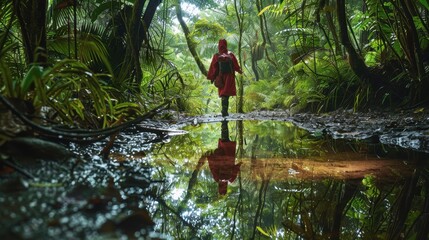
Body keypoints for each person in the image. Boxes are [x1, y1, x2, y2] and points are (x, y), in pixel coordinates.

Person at [207, 39, 243, 117]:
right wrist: (240, 71)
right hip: (230, 77)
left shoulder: (216, 56)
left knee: (223, 94)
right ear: (226, 45)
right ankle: (225, 110)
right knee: (226, 94)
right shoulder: (231, 55)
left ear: (219, 46)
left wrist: (212, 77)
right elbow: (236, 66)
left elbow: (213, 67)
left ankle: (224, 110)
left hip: (221, 77)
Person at [207, 121, 242, 195]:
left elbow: (235, 169)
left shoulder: (231, 180)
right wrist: (210, 157)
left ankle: (224, 121)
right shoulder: (218, 179)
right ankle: (224, 121)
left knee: (226, 140)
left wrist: (240, 164)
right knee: (224, 139)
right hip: (222, 156)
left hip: (229, 156)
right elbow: (212, 167)